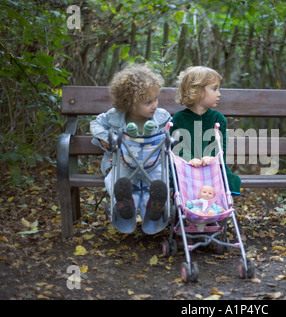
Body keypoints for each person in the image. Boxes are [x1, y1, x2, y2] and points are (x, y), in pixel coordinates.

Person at [90, 63, 171, 233]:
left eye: (156, 99)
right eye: (148, 102)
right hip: (122, 164)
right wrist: (104, 138)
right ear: (129, 103)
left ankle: (153, 208)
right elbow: (96, 124)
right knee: (117, 181)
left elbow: (172, 133)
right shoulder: (115, 117)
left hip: (152, 165)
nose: (154, 105)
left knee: (157, 184)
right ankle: (125, 206)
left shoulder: (162, 117)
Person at [170, 66, 241, 195]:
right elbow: (175, 146)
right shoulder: (179, 118)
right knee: (177, 174)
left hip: (212, 167)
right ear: (197, 91)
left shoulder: (218, 118)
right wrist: (189, 159)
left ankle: (217, 207)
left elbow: (221, 146)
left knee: (224, 175)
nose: (219, 94)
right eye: (214, 89)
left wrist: (211, 157)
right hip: (186, 168)